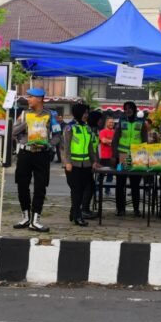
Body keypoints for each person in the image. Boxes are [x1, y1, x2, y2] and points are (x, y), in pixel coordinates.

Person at [12, 88, 61, 232]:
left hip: (42, 154)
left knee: (40, 187)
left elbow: (57, 135)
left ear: (40, 99)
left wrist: (48, 144)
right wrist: (26, 124)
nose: (28, 99)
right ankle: (25, 216)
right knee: (22, 184)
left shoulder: (51, 115)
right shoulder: (24, 114)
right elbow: (13, 132)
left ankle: (35, 219)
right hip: (25, 153)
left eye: (31, 97)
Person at [60, 103, 100, 226]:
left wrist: (94, 161)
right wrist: (67, 162)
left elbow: (90, 148)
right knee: (76, 190)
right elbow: (65, 147)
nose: (86, 115)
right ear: (78, 113)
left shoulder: (87, 128)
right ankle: (78, 216)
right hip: (73, 165)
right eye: (84, 113)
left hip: (86, 165)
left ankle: (74, 211)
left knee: (82, 190)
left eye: (87, 113)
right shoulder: (70, 128)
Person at [111, 101, 148, 216]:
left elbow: (144, 140)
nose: (128, 110)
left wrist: (144, 157)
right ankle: (120, 208)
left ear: (135, 109)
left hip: (136, 156)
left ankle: (136, 209)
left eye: (130, 108)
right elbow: (115, 140)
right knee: (120, 183)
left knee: (135, 184)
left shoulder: (141, 123)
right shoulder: (121, 122)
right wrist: (114, 155)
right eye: (126, 108)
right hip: (123, 156)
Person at [97, 114, 115, 197]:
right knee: (101, 174)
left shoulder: (115, 132)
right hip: (103, 157)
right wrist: (112, 142)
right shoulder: (102, 131)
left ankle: (107, 190)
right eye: (110, 122)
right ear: (106, 123)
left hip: (112, 157)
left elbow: (116, 142)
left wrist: (109, 141)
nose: (111, 124)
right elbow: (103, 141)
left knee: (110, 175)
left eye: (113, 122)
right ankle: (97, 189)